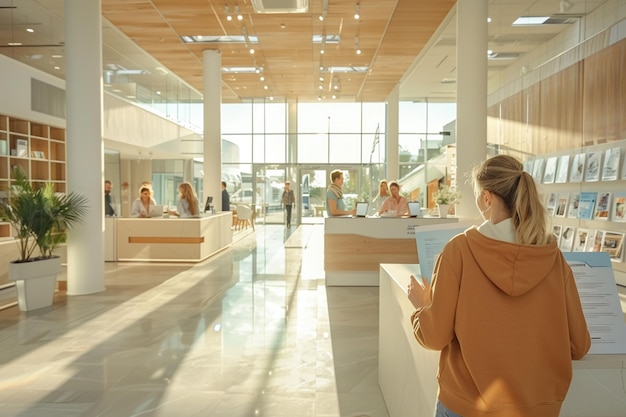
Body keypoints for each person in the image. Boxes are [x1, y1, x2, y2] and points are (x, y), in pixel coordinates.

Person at [407, 154, 590, 417]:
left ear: (488, 197)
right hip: (537, 409)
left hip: (467, 405)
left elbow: (435, 337)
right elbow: (579, 345)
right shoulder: (552, 257)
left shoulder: (459, 250)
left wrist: (423, 307)